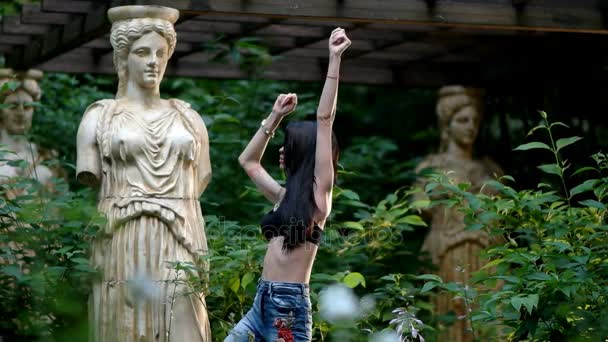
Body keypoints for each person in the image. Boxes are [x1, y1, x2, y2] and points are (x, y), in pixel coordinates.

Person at [76, 6, 212, 341]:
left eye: (160, 53)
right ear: (122, 58)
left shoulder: (188, 119)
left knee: (185, 322)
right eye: (142, 52)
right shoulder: (100, 117)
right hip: (122, 235)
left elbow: (201, 178)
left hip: (180, 234)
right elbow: (88, 171)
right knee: (124, 322)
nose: (153, 61)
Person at [226, 28, 351, 342]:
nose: (281, 150)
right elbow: (248, 161)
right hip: (263, 300)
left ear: (303, 153)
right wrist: (274, 117)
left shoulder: (319, 197)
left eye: (288, 145)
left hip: (288, 306)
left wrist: (334, 59)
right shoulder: (282, 196)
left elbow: (325, 119)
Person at [416, 85, 502, 342]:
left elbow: (506, 213)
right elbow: (418, 207)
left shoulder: (490, 168)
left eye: (475, 121)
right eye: (463, 120)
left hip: (489, 252)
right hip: (448, 251)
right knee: (451, 319)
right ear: (447, 124)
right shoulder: (431, 167)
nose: (470, 127)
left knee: (491, 319)